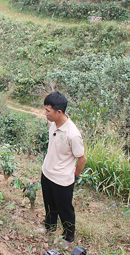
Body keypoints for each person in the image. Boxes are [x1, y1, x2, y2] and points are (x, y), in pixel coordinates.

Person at [41, 91, 87, 245]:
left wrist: (75, 176)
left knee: (65, 210)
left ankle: (68, 237)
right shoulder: (52, 123)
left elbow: (82, 159)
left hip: (62, 180)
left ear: (58, 112)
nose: (45, 113)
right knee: (49, 204)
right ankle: (50, 227)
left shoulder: (73, 134)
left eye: (48, 110)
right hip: (47, 173)